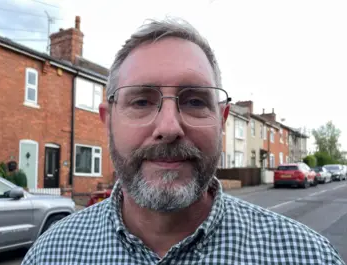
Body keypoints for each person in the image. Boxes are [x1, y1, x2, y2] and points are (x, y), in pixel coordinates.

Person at [22, 17, 345, 264]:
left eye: (194, 101)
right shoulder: (51, 254)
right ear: (108, 122)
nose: (169, 126)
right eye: (142, 102)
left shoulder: (306, 256)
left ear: (221, 120)